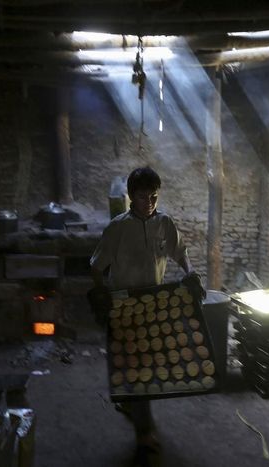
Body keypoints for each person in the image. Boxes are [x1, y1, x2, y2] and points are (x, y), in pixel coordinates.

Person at [88, 166, 205, 466]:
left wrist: (191, 274)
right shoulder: (118, 228)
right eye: (143, 196)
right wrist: (101, 294)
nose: (150, 201)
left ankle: (135, 410)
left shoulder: (164, 223)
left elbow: (181, 252)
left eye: (154, 195)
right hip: (125, 305)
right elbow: (96, 265)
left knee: (145, 366)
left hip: (153, 303)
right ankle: (145, 432)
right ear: (131, 197)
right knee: (133, 366)